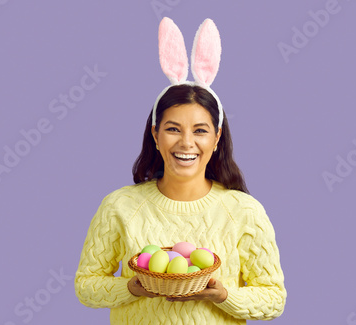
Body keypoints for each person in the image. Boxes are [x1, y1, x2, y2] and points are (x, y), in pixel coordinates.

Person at [74, 17, 286, 324]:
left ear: (216, 138)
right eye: (173, 129)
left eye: (200, 131)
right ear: (155, 134)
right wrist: (131, 288)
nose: (186, 143)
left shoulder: (244, 212)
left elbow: (273, 298)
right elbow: (86, 286)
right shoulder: (119, 206)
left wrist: (224, 295)